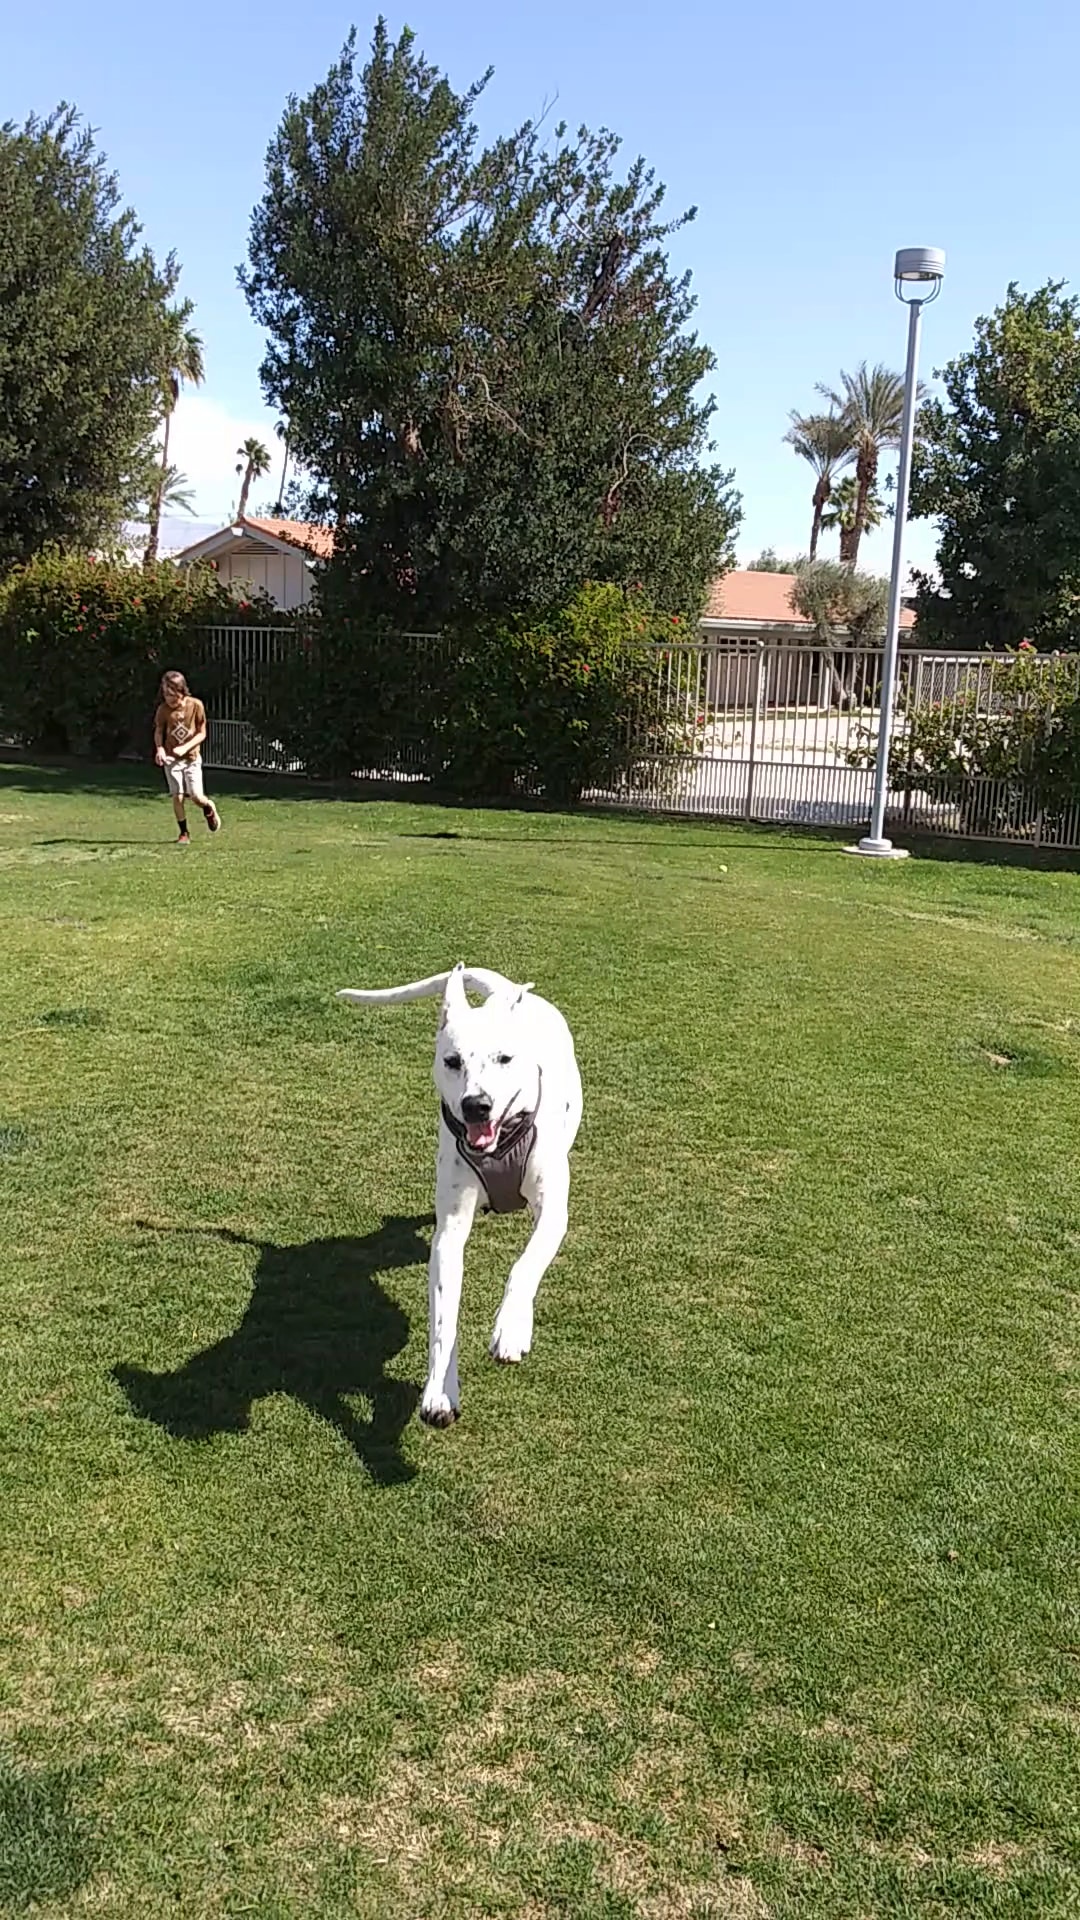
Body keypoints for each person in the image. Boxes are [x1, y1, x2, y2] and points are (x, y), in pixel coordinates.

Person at [153, 670, 221, 844]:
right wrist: (160, 749)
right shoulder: (163, 710)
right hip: (172, 759)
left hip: (191, 758)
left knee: (196, 796)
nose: (168, 698)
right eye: (165, 694)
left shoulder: (196, 706)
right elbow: (159, 731)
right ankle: (184, 833)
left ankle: (208, 807)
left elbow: (202, 733)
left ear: (181, 691)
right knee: (178, 795)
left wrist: (185, 747)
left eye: (172, 694)